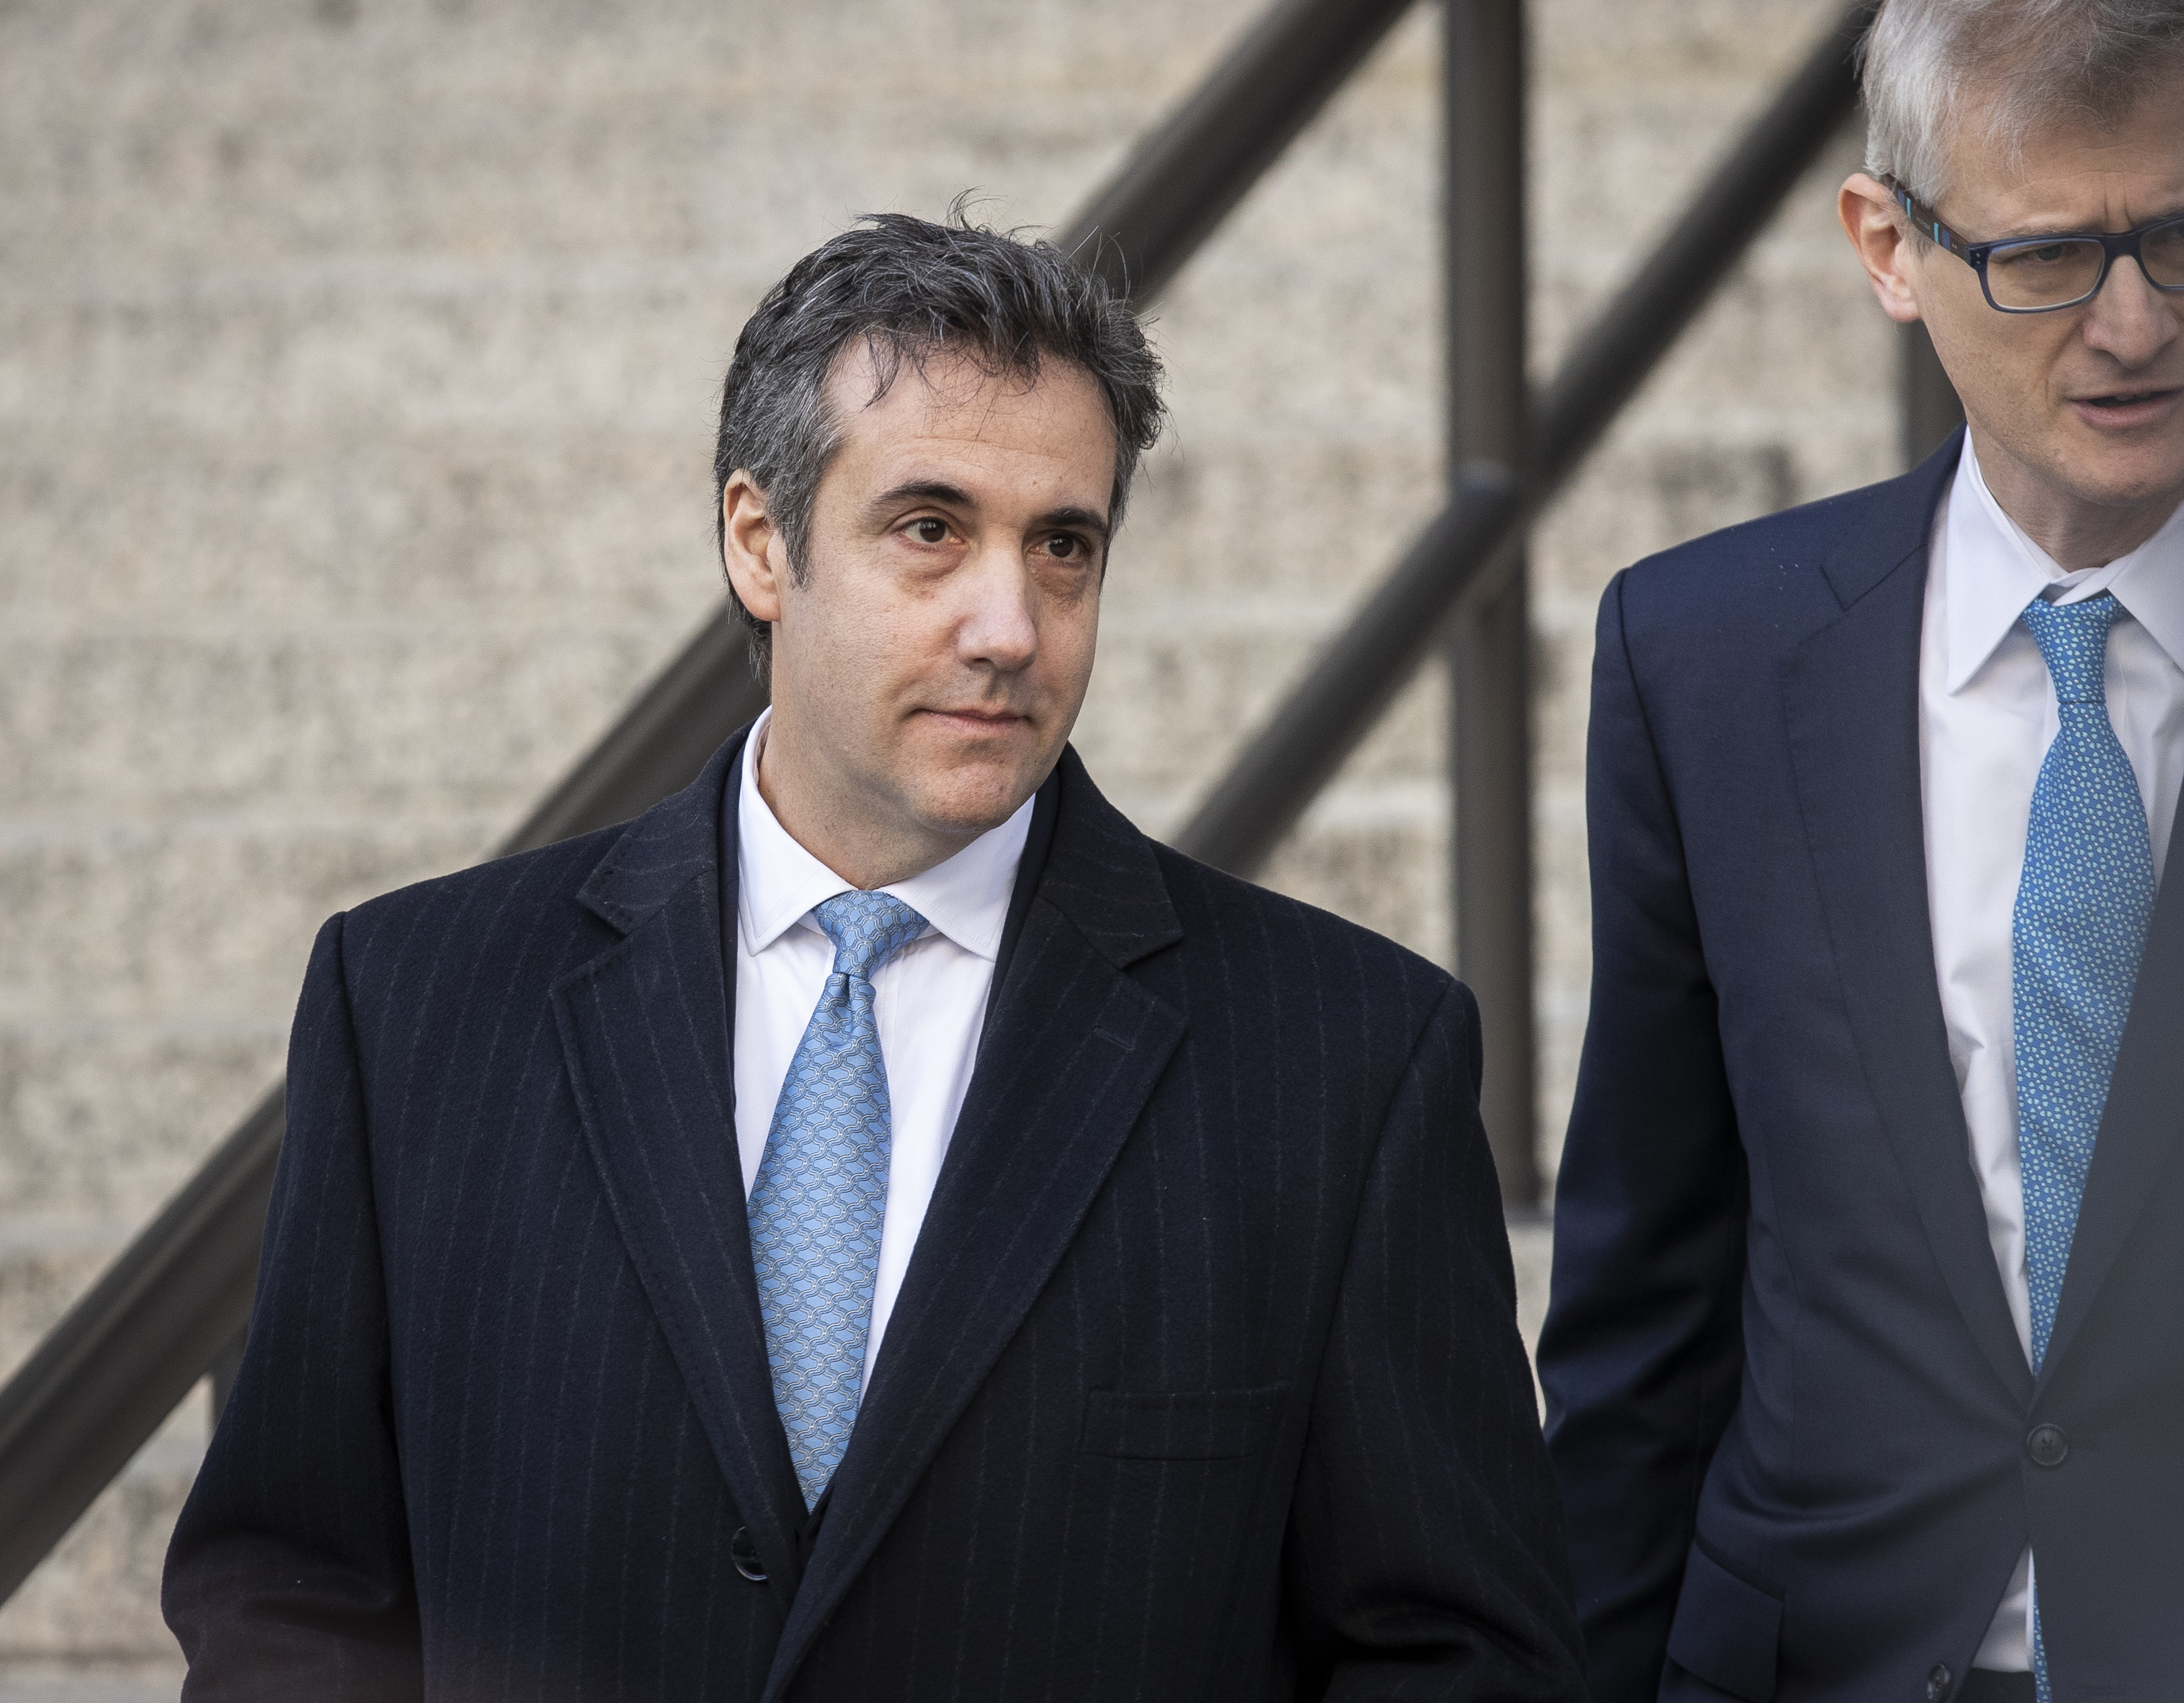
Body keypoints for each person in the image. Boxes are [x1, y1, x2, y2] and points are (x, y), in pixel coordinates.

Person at [163, 214, 1585, 1701]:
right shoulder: (416, 1007)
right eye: (930, 530)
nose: (1010, 626)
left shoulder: (1343, 1058)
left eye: (1064, 547)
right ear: (759, 541)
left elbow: (1459, 1652)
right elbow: (293, 1600)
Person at [1535, 3, 2184, 1697]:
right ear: (1887, 246)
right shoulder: (1704, 660)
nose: (2133, 324)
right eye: (2047, 257)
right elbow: (1646, 1322)